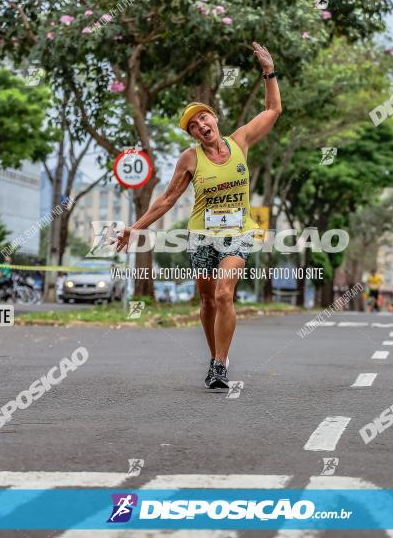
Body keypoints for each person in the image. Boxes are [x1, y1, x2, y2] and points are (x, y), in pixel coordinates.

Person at [116, 42, 281, 389]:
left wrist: (269, 71)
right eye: (193, 125)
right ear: (192, 134)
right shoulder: (190, 159)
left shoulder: (240, 142)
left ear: (215, 118)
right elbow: (166, 199)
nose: (201, 125)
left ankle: (220, 363)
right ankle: (214, 357)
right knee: (207, 298)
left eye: (203, 117)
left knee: (224, 294)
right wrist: (136, 228)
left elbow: (273, 109)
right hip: (202, 235)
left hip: (238, 232)